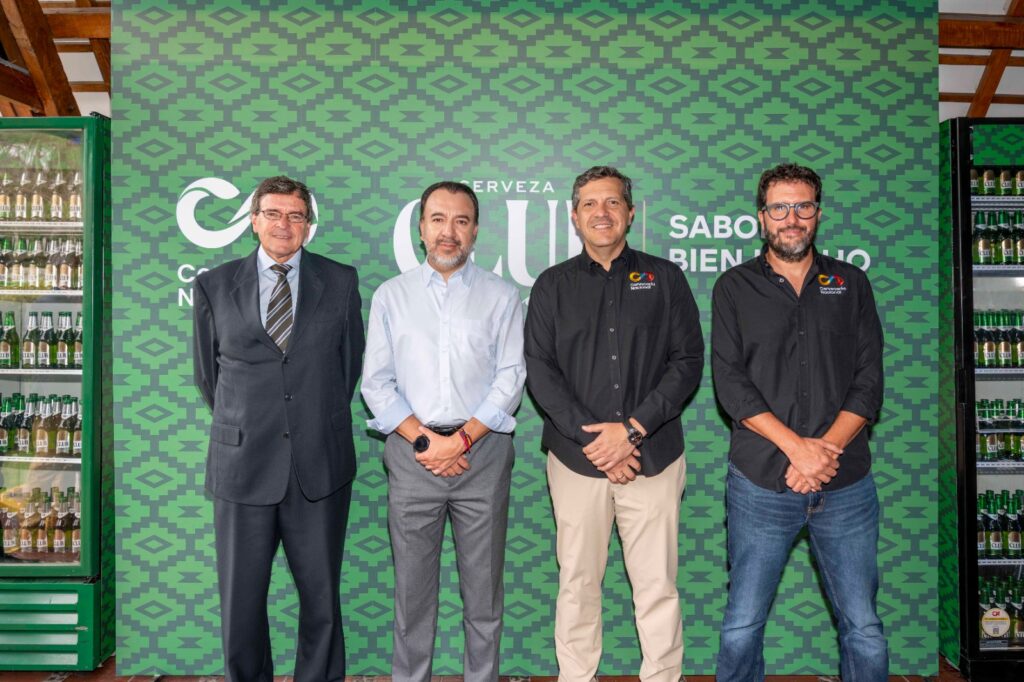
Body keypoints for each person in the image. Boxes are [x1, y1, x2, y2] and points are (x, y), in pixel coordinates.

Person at [524, 166, 704, 682]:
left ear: (630, 212)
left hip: (654, 457)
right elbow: (541, 370)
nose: (600, 213)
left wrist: (631, 431)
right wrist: (599, 444)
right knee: (577, 584)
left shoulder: (666, 278)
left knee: (657, 586)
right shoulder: (552, 285)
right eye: (589, 204)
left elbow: (687, 361)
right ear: (574, 216)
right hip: (576, 462)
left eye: (611, 203)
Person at [712, 163, 887, 680]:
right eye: (780, 208)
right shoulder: (734, 287)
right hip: (761, 483)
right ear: (761, 217)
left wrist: (822, 452)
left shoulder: (851, 283)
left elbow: (868, 381)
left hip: (845, 481)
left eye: (803, 206)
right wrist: (797, 449)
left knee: (864, 627)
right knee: (742, 626)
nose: (792, 218)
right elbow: (731, 385)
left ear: (818, 213)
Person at [193, 175, 364, 682]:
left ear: (308, 225)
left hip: (319, 465)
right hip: (242, 464)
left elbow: (347, 369)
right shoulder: (215, 285)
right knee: (241, 601)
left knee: (322, 600)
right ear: (253, 221)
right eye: (272, 213)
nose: (283, 224)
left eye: (295, 215)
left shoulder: (341, 281)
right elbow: (209, 376)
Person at [361, 181, 526, 682]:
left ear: (475, 231)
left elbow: (511, 377)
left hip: (483, 457)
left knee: (484, 596)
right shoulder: (391, 296)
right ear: (421, 229)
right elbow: (376, 383)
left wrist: (463, 439)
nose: (448, 231)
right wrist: (427, 441)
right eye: (438, 219)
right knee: (411, 597)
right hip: (413, 457)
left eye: (460, 220)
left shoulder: (502, 296)